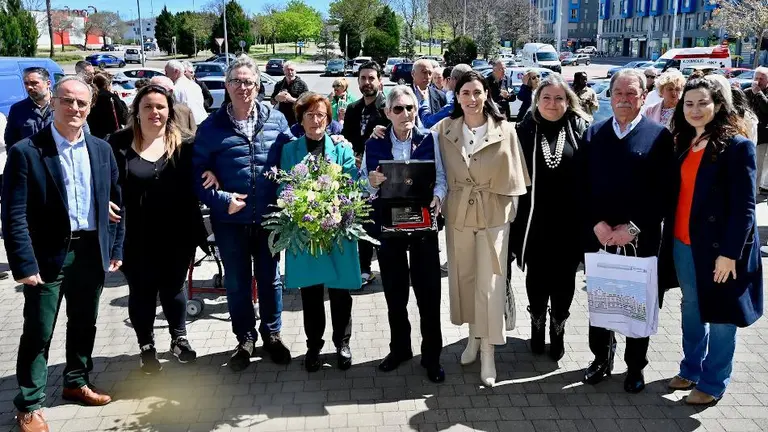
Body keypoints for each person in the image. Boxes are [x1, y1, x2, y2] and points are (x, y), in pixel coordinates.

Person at [2, 76, 123, 432]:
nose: (74, 108)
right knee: (39, 330)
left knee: (84, 323)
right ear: (54, 102)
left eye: (82, 103)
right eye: (67, 100)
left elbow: (116, 203)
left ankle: (76, 381)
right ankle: (29, 404)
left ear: (90, 107)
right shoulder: (27, 151)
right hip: (47, 257)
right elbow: (13, 215)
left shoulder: (101, 149)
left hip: (90, 252)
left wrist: (115, 247)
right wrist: (23, 264)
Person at [661, 77, 763, 404]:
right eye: (688, 103)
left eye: (702, 103)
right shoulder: (683, 142)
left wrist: (730, 254)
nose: (695, 109)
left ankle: (713, 382)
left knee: (721, 316)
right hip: (683, 243)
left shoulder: (737, 146)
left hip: (720, 250)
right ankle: (691, 368)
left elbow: (745, 208)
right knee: (691, 308)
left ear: (718, 105)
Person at [193, 55, 293, 371]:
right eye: (235, 81)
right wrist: (222, 199)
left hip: (268, 217)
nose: (242, 87)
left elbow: (295, 155)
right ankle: (245, 338)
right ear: (226, 86)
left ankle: (272, 334)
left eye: (248, 81)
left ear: (258, 86)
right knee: (236, 282)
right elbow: (196, 174)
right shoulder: (210, 127)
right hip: (229, 221)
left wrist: (333, 139)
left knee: (270, 280)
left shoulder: (276, 120)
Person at [581, 68, 676, 394]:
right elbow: (581, 186)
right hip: (601, 237)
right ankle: (600, 359)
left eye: (631, 93)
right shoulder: (594, 134)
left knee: (638, 304)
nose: (624, 99)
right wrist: (596, 223)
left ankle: (635, 366)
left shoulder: (658, 136)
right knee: (602, 301)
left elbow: (665, 192)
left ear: (643, 96)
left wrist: (633, 228)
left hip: (640, 239)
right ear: (610, 96)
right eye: (618, 93)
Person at [434, 71, 530, 386]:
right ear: (456, 96)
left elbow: (517, 176)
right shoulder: (444, 129)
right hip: (460, 213)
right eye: (465, 93)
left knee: (489, 283)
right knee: (465, 278)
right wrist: (380, 130)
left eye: (477, 92)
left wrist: (511, 212)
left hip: (493, 214)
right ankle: (474, 337)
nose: (472, 99)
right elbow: (411, 135)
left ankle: (489, 351)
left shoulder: (506, 129)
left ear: (486, 93)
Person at [107, 84, 208, 374]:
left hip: (177, 233)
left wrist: (211, 174)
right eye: (148, 106)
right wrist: (101, 203)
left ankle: (179, 338)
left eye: (160, 107)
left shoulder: (186, 144)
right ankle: (146, 346)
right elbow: (102, 180)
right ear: (137, 111)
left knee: (174, 287)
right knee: (142, 291)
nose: (155, 112)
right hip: (134, 235)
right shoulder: (118, 143)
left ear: (169, 111)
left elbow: (203, 172)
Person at [363, 85, 447, 383]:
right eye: (398, 109)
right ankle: (399, 349)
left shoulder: (430, 139)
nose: (405, 114)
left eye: (409, 108)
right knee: (395, 295)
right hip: (390, 229)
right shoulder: (375, 142)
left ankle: (432, 356)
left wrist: (438, 197)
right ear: (387, 112)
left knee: (429, 295)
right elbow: (364, 185)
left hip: (423, 227)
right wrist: (372, 182)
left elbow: (441, 178)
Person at [510, 74, 590, 361]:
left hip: (569, 224)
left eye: (559, 98)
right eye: (546, 97)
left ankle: (558, 329)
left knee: (564, 280)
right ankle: (537, 324)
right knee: (537, 278)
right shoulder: (524, 130)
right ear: (537, 100)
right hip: (534, 223)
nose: (552, 103)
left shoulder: (581, 130)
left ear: (568, 101)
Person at [279, 92, 359, 372]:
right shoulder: (290, 150)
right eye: (309, 115)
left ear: (328, 119)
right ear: (300, 120)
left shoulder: (342, 148)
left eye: (321, 115)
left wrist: (333, 205)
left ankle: (342, 343)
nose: (316, 120)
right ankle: (314, 346)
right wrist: (302, 206)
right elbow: (284, 187)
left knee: (340, 291)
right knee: (311, 293)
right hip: (307, 231)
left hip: (337, 230)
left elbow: (351, 183)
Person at [341, 61, 390, 285]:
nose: (367, 82)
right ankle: (363, 269)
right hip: (357, 175)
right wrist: (354, 155)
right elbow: (347, 139)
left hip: (381, 176)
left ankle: (388, 268)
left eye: (371, 78)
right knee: (360, 220)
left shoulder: (388, 108)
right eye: (363, 78)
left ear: (380, 80)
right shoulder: (353, 109)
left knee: (379, 223)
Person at [4, 67, 90, 148]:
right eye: (26, 83)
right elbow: (10, 140)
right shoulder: (17, 109)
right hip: (31, 157)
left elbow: (84, 134)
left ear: (48, 83)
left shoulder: (65, 105)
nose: (29, 87)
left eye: (34, 83)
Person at [419, 64, 472, 129]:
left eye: (450, 78)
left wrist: (424, 102)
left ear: (455, 80)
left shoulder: (454, 105)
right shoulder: (477, 101)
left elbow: (428, 122)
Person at [743, 67, 768, 192]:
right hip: (752, 133)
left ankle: (762, 186)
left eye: (762, 79)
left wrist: (759, 94)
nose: (758, 81)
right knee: (755, 163)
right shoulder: (747, 92)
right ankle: (754, 190)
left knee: (764, 164)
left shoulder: (763, 93)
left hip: (765, 133)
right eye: (756, 78)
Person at [164, 60, 208, 125]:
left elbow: (175, 112)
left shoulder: (176, 89)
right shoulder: (195, 85)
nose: (165, 75)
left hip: (189, 125)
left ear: (176, 71)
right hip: (202, 122)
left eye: (167, 72)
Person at [86, 73, 129, 139]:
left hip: (94, 135)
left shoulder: (89, 97)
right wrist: (120, 101)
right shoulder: (111, 98)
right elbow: (124, 119)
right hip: (111, 136)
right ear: (108, 85)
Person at [271, 61, 309, 126]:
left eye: (292, 70)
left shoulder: (302, 85)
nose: (290, 72)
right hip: (281, 118)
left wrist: (291, 99)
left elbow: (306, 103)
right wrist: (276, 98)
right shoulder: (279, 84)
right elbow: (272, 102)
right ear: (284, 71)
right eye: (287, 70)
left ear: (295, 71)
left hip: (296, 119)